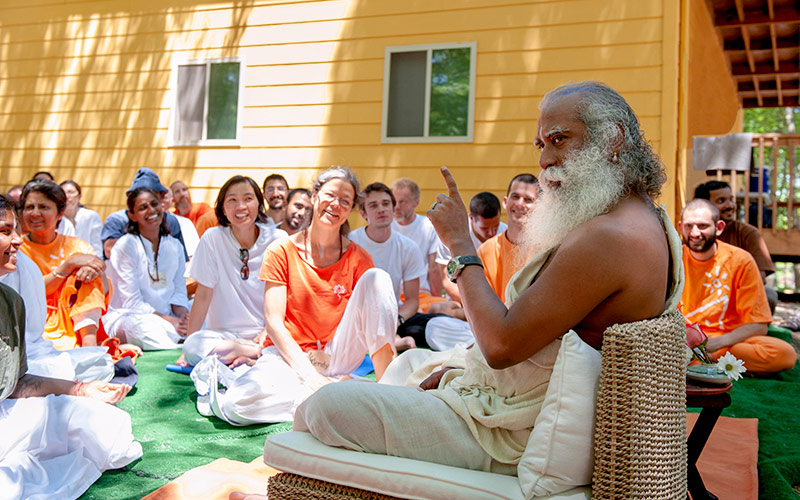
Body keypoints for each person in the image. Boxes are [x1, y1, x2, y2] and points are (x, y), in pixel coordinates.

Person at [290, 81, 683, 476]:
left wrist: (461, 242)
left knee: (326, 406)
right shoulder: (642, 219)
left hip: (513, 433)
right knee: (408, 364)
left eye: (559, 140)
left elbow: (499, 345)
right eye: (540, 145)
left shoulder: (609, 237)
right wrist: (468, 372)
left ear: (612, 139)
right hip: (519, 405)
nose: (544, 160)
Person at [194, 167, 397, 425]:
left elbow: (373, 316)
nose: (336, 204)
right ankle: (333, 397)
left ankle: (388, 389)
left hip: (338, 354)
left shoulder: (358, 258)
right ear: (314, 196)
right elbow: (274, 323)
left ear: (350, 210)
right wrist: (312, 379)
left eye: (345, 201)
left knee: (378, 278)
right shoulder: (281, 250)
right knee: (237, 405)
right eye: (331, 195)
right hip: (289, 357)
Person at [0, 194, 142, 500]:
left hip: (9, 407)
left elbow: (15, 382)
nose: (17, 240)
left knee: (106, 426)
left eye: (15, 230)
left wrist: (81, 389)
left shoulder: (9, 300)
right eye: (5, 231)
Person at [679, 199, 796, 374]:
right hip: (683, 340)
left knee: (785, 354)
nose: (695, 233)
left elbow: (758, 325)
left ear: (718, 228)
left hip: (727, 341)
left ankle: (707, 358)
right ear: (681, 227)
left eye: (702, 226)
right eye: (689, 226)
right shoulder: (673, 259)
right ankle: (713, 360)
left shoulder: (741, 260)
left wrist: (715, 345)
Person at [180, 176, 286, 367]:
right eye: (232, 200)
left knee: (288, 344)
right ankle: (253, 354)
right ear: (222, 208)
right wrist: (186, 349)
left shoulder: (278, 239)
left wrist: (267, 333)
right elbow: (203, 295)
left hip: (266, 333)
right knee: (193, 346)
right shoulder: (212, 238)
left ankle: (256, 352)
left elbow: (288, 296)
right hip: (223, 336)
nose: (241, 206)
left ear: (259, 204)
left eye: (248, 199)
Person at [19, 180, 108, 350]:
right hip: (35, 321)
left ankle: (89, 347)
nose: (35, 213)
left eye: (43, 207)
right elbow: (27, 291)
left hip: (75, 323)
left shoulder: (77, 246)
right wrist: (67, 266)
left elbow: (103, 288)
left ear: (60, 213)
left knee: (89, 275)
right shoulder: (17, 248)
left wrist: (95, 271)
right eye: (29, 207)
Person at [102, 187, 190, 350]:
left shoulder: (174, 245)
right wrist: (172, 322)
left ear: (162, 207)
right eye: (143, 207)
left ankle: (181, 335)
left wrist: (183, 318)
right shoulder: (126, 245)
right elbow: (132, 302)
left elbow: (179, 291)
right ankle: (179, 342)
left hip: (169, 316)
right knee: (142, 328)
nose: (151, 210)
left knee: (203, 313)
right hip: (130, 317)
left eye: (154, 204)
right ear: (132, 216)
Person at [348, 182, 426, 350]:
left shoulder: (408, 247)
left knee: (436, 325)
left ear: (393, 208)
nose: (381, 209)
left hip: (393, 316)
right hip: (355, 318)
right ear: (363, 213)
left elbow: (412, 301)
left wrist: (396, 321)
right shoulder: (350, 244)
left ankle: (391, 337)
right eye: (373, 206)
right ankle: (391, 341)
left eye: (385, 204)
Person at [693, 180, 778, 310]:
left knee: (768, 295)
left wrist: (725, 295)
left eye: (731, 200)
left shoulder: (748, 233)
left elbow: (760, 277)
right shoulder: (694, 235)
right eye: (721, 201)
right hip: (699, 295)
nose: (730, 205)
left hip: (737, 297)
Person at [101, 168, 187, 260]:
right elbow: (110, 250)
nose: (146, 201)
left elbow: (182, 259)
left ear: (161, 196)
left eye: (152, 196)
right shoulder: (117, 220)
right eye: (139, 196)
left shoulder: (171, 221)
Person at [477, 174, 539, 302]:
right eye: (515, 197)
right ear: (505, 202)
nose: (520, 204)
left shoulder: (546, 250)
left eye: (528, 200)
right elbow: (483, 302)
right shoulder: (486, 250)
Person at [437, 191, 508, 302]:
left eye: (496, 226)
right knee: (439, 308)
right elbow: (446, 280)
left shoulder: (506, 233)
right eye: (485, 228)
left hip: (499, 301)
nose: (491, 232)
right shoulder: (453, 236)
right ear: (471, 218)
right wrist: (477, 305)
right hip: (463, 300)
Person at [391, 178, 445, 305]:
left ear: (416, 202)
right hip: (390, 294)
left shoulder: (429, 227)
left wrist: (436, 301)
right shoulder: (384, 227)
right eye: (394, 202)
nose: (397, 207)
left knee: (445, 308)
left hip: (420, 294)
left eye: (402, 202)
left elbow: (434, 269)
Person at [58, 180, 104, 257]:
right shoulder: (55, 218)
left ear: (79, 196)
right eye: (63, 193)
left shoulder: (91, 216)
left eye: (71, 192)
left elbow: (97, 245)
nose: (67, 196)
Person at [162, 185, 200, 258]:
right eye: (156, 198)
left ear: (171, 200)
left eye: (165, 197)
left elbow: (192, 255)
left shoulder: (184, 223)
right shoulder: (144, 224)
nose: (160, 201)